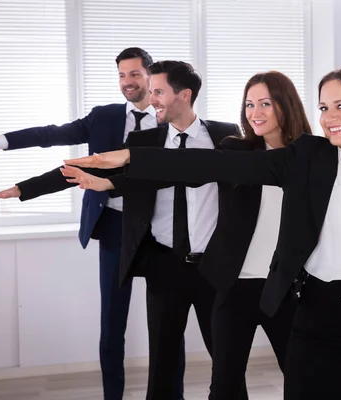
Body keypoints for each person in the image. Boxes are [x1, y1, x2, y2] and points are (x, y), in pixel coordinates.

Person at [62, 65, 341, 400]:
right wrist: (132, 157)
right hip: (319, 320)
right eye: (323, 107)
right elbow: (213, 165)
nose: (328, 116)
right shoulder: (309, 160)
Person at [0, 47, 185, 400]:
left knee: (168, 326)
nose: (127, 82)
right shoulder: (103, 117)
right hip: (115, 228)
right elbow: (51, 136)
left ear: (151, 75)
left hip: (160, 229)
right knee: (111, 325)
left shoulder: (171, 118)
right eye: (121, 75)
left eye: (134, 74)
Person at [62, 70, 310, 399]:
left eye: (265, 103)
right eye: (249, 104)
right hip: (234, 287)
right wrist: (125, 163)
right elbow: (189, 165)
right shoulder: (238, 151)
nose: (255, 112)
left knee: (303, 379)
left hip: (284, 288)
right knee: (223, 384)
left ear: (287, 104)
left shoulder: (311, 157)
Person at [91, 60, 246, 399]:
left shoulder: (226, 135)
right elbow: (119, 180)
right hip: (163, 264)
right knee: (162, 363)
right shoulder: (142, 140)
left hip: (214, 268)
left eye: (158, 91)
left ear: (184, 95)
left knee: (227, 361)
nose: (152, 97)